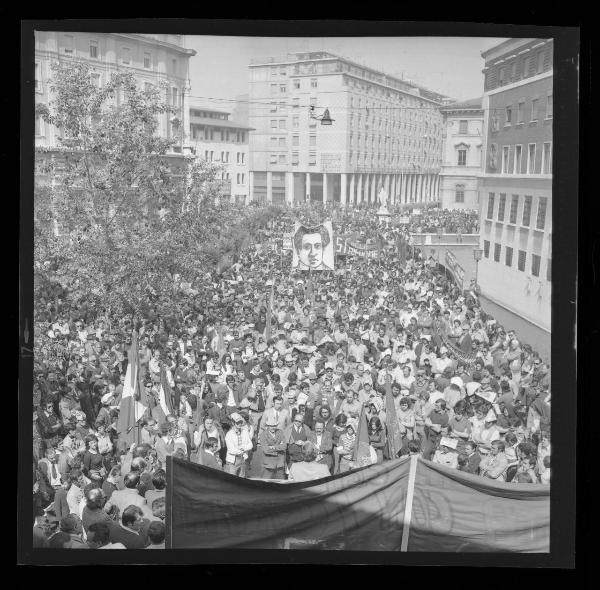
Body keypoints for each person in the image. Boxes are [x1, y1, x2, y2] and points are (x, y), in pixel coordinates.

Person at [224, 413, 253, 477]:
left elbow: (250, 445)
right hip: (232, 461)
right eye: (238, 422)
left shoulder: (245, 432)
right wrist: (243, 449)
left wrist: (242, 448)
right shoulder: (229, 434)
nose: (240, 424)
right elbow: (231, 450)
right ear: (233, 423)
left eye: (241, 422)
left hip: (243, 458)